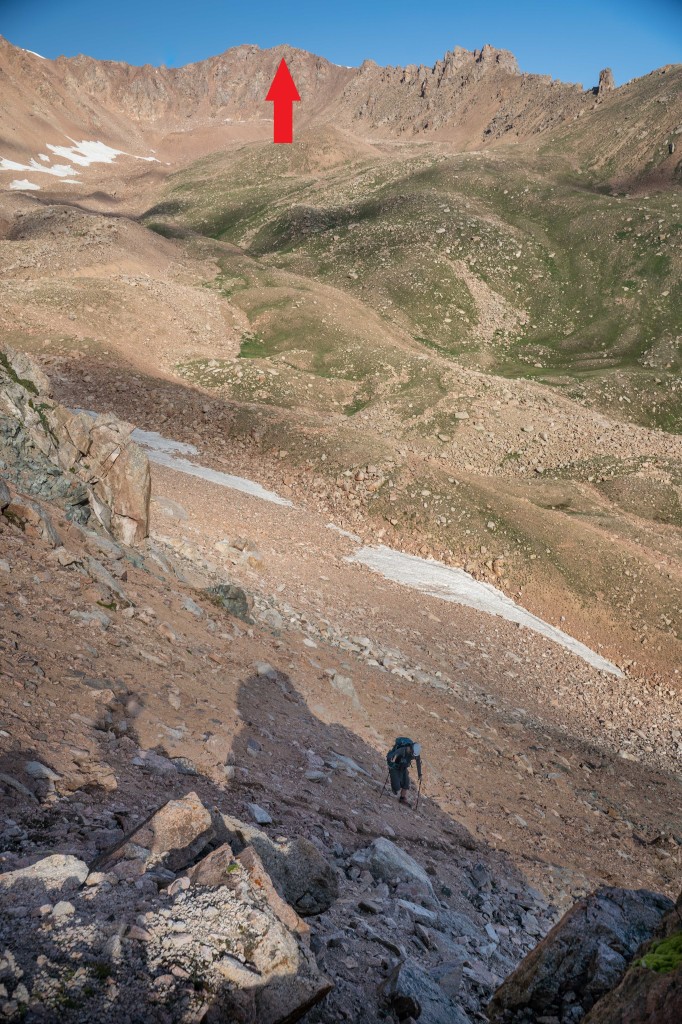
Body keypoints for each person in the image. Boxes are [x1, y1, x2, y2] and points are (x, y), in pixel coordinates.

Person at [386, 737, 422, 806]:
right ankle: (395, 788)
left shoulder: (416, 754)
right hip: (395, 767)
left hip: (403, 767)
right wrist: (391, 761)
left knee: (406, 783)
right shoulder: (402, 750)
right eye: (412, 753)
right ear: (411, 748)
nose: (413, 756)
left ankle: (402, 798)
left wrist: (419, 774)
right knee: (396, 788)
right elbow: (390, 756)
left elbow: (418, 762)